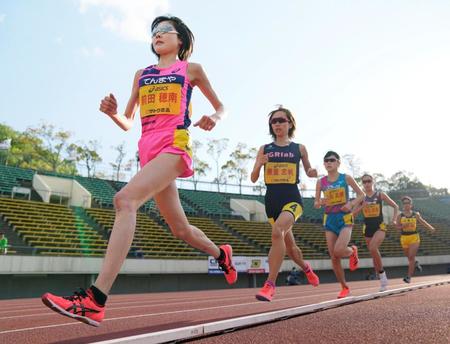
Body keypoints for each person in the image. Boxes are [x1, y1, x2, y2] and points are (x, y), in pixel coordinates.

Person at [42, 15, 237, 327]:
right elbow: (129, 120)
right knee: (180, 229)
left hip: (175, 146)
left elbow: (222, 106)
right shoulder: (142, 74)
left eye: (164, 31)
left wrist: (215, 117)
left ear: (181, 41)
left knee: (125, 201)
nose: (157, 35)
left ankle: (95, 300)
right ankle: (221, 254)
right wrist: (112, 114)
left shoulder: (191, 70)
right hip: (148, 152)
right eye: (154, 33)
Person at [251, 107, 320, 302]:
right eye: (274, 121)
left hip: (292, 199)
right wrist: (258, 164)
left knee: (277, 232)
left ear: (290, 123)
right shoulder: (265, 149)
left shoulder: (299, 148)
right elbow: (254, 177)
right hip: (272, 200)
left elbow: (308, 170)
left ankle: (269, 285)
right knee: (291, 248)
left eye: (281, 120)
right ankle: (306, 268)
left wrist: (313, 171)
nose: (277, 124)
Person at [314, 151, 365, 299]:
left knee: (339, 250)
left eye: (331, 160)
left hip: (345, 218)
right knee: (334, 257)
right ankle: (344, 287)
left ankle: (352, 251)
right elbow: (316, 203)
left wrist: (351, 203)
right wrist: (320, 202)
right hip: (330, 219)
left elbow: (361, 195)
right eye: (326, 161)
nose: (328, 163)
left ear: (338, 163)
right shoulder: (321, 182)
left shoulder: (346, 178)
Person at [352, 174, 399, 292]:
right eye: (364, 182)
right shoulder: (361, 197)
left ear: (373, 182)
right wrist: (362, 206)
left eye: (369, 181)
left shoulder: (380, 195)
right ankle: (380, 276)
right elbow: (353, 214)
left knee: (373, 248)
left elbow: (395, 206)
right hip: (367, 228)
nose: (367, 184)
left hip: (379, 226)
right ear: (362, 184)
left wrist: (393, 219)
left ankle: (383, 276)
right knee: (373, 253)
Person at [395, 196, 435, 283]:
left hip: (414, 237)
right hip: (404, 238)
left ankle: (408, 277)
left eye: (408, 203)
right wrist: (402, 226)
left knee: (411, 257)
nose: (406, 205)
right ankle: (416, 263)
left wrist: (430, 228)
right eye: (404, 203)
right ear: (403, 205)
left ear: (411, 205)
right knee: (409, 257)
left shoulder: (415, 214)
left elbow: (422, 221)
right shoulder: (400, 215)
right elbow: (397, 227)